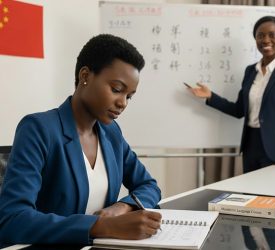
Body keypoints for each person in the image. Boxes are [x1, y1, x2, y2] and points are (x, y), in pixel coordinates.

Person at [0, 34, 162, 245]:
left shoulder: (111, 133)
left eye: (129, 96)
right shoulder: (39, 129)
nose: (122, 103)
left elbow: (149, 185)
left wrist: (123, 207)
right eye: (116, 89)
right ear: (85, 75)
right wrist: (104, 226)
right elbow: (13, 219)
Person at [186, 16, 275, 173]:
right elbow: (239, 110)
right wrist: (210, 96)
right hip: (250, 146)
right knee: (250, 195)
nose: (266, 40)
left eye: (272, 35)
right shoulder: (250, 71)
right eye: (260, 35)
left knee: (274, 196)